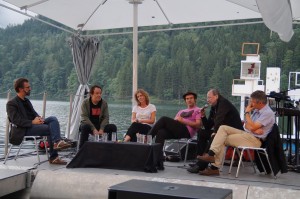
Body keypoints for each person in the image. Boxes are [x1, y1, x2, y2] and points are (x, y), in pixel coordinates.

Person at [197, 90, 275, 176]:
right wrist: (254, 129)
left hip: (255, 140)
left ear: (259, 102)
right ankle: (211, 155)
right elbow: (246, 125)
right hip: (247, 134)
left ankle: (214, 167)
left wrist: (247, 113)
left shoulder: (267, 113)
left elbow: (251, 126)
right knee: (222, 128)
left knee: (221, 138)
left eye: (252, 101)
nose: (250, 103)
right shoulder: (257, 111)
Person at [6, 78, 71, 165]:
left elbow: (33, 113)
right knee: (49, 129)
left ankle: (57, 142)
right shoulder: (11, 103)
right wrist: (32, 122)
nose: (30, 89)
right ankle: (54, 156)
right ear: (21, 89)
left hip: (33, 125)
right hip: (23, 129)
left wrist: (39, 118)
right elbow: (16, 120)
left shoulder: (26, 101)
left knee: (53, 119)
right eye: (27, 87)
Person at [188, 89, 243, 173]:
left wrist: (214, 132)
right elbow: (208, 126)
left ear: (216, 96)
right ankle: (199, 160)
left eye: (209, 97)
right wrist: (203, 116)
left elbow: (219, 119)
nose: (207, 100)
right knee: (201, 133)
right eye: (207, 98)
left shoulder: (223, 103)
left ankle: (201, 165)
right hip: (222, 132)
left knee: (214, 135)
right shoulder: (214, 107)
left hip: (234, 132)